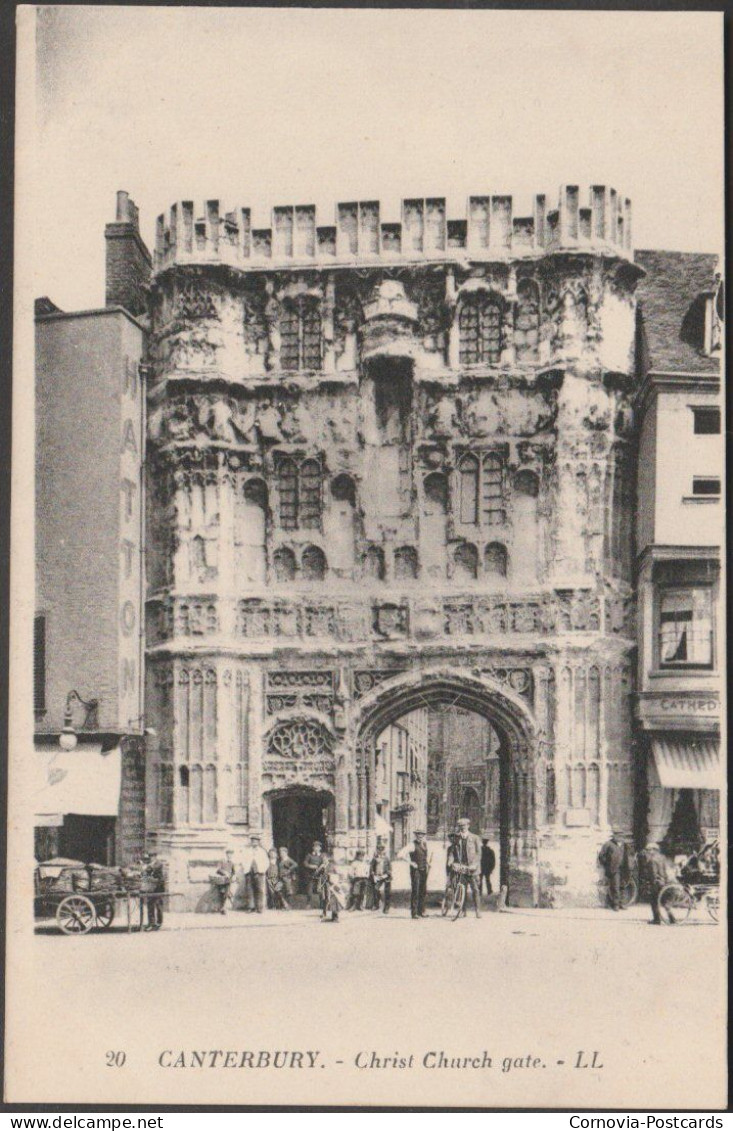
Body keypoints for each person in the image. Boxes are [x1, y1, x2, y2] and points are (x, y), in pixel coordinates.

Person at [454, 817, 482, 919]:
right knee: (462, 890)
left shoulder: (475, 838)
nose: (462, 828)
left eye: (464, 826)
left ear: (468, 826)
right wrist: (452, 862)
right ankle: (463, 911)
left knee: (475, 890)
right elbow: (453, 852)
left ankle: (477, 910)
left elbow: (479, 853)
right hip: (462, 867)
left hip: (473, 869)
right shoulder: (456, 838)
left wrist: (475, 864)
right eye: (460, 826)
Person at [638, 841, 669, 925]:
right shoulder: (662, 858)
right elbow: (665, 870)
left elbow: (653, 874)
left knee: (653, 901)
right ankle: (672, 918)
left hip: (656, 883)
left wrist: (650, 882)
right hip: (663, 882)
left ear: (654, 850)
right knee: (664, 901)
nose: (648, 852)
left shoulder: (652, 860)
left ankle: (656, 919)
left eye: (649, 850)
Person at [598, 831, 625, 911]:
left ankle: (621, 903)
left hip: (622, 869)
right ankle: (615, 905)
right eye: (618, 836)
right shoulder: (608, 844)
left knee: (622, 886)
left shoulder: (622, 845)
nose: (619, 838)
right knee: (615, 887)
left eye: (621, 836)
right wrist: (607, 865)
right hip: (613, 869)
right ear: (614, 836)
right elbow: (601, 856)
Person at [140, 851, 166, 931]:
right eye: (150, 856)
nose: (151, 858)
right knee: (150, 904)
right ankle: (151, 923)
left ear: (155, 856)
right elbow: (146, 872)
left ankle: (158, 923)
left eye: (152, 856)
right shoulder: (151, 863)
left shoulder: (158, 864)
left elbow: (150, 869)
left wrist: (144, 868)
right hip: (152, 887)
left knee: (158, 905)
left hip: (158, 887)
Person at [409, 831, 430, 919]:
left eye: (422, 835)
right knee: (416, 891)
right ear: (416, 835)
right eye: (418, 835)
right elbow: (401, 854)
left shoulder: (425, 844)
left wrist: (428, 863)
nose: (420, 837)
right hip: (416, 870)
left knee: (423, 890)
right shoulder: (412, 845)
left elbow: (425, 856)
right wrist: (411, 863)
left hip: (424, 869)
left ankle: (421, 911)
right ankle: (414, 913)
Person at [247, 834, 270, 914]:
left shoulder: (262, 851)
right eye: (253, 841)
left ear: (258, 842)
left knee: (260, 890)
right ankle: (251, 907)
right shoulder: (248, 850)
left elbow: (267, 862)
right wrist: (246, 869)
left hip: (259, 873)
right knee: (250, 889)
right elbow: (243, 860)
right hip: (250, 873)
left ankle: (259, 907)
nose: (254, 842)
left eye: (256, 841)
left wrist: (262, 870)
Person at [369, 839, 392, 914]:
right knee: (375, 889)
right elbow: (371, 868)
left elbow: (390, 869)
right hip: (377, 876)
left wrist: (386, 875)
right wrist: (373, 875)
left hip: (386, 877)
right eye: (379, 849)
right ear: (377, 850)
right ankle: (376, 904)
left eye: (382, 849)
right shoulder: (374, 859)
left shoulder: (386, 859)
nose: (380, 851)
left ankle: (386, 907)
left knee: (387, 891)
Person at [322, 857, 346, 922]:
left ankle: (335, 917)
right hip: (331, 888)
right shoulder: (327, 871)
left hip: (335, 888)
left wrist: (337, 885)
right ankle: (333, 916)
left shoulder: (338, 874)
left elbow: (339, 881)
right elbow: (326, 879)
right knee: (331, 902)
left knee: (336, 902)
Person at [303, 841, 325, 910]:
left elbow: (324, 864)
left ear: (320, 848)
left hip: (319, 876)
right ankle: (308, 904)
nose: (316, 848)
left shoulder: (322, 856)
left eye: (318, 847)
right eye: (315, 847)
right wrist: (311, 866)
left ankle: (322, 904)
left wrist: (321, 867)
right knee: (309, 890)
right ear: (313, 848)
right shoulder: (309, 855)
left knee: (320, 890)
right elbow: (305, 863)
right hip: (311, 875)